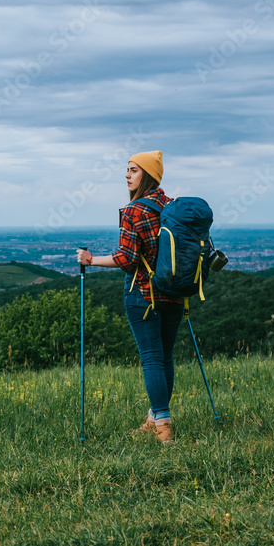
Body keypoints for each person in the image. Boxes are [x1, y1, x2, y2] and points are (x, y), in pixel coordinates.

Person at [76, 151, 184, 443]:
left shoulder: (135, 209)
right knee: (165, 358)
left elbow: (126, 259)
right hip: (174, 293)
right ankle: (153, 418)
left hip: (142, 293)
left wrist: (90, 259)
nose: (126, 175)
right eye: (127, 170)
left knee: (151, 359)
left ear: (147, 175)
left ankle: (163, 426)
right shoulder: (171, 207)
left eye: (133, 170)